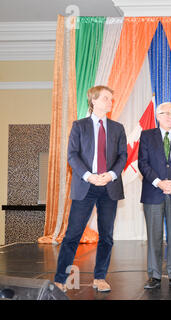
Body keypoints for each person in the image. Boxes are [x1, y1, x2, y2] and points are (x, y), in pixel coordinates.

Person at [54, 85, 127, 293]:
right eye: (105, 98)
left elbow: (123, 155)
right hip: (85, 186)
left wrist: (111, 175)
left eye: (111, 99)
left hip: (109, 187)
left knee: (107, 235)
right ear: (93, 101)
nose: (109, 102)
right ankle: (60, 279)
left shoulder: (118, 128)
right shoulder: (79, 126)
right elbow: (72, 155)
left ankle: (100, 278)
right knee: (72, 235)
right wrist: (89, 176)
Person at [138, 102, 171, 290]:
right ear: (157, 116)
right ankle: (153, 275)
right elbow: (143, 163)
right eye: (166, 113)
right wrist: (159, 183)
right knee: (154, 235)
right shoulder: (146, 136)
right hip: (154, 192)